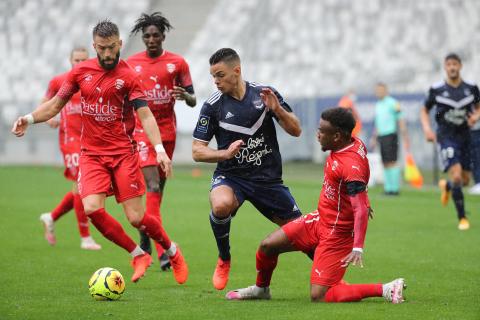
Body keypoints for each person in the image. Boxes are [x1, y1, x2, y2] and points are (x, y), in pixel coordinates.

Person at [12, 20, 188, 283]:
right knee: (92, 208)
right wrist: (28, 118)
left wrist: (159, 149)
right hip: (92, 155)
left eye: (112, 48)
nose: (108, 54)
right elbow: (54, 105)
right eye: (102, 48)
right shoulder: (80, 72)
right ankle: (138, 254)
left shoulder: (129, 76)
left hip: (123, 155)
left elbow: (146, 115)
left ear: (119, 44)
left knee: (136, 218)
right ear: (95, 46)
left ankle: (173, 251)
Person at [225, 107, 406, 303]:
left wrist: (358, 248)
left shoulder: (350, 165)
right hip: (320, 219)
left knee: (319, 295)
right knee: (268, 246)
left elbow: (359, 207)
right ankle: (262, 290)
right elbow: (358, 190)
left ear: (337, 136)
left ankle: (386, 288)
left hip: (338, 233)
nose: (317, 134)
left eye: (321, 130)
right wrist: (363, 198)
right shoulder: (350, 144)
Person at [192, 48, 302, 290]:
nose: (216, 82)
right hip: (232, 176)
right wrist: (224, 154)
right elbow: (197, 151)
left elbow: (296, 130)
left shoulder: (265, 94)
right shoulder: (213, 105)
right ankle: (224, 258)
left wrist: (278, 110)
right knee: (220, 205)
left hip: (268, 181)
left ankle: (332, 281)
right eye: (213, 77)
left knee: (303, 234)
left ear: (237, 71)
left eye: (220, 75)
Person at [127, 12, 197, 271]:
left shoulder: (177, 63)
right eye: (147, 36)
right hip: (142, 132)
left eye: (156, 35)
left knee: (157, 193)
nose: (152, 39)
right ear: (142, 38)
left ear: (163, 36)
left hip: (167, 132)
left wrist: (184, 96)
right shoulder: (131, 63)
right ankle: (164, 250)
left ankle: (145, 238)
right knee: (153, 185)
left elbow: (193, 98)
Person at [39, 47, 101, 251]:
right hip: (70, 140)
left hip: (91, 141)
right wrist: (49, 118)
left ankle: (51, 217)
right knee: (81, 187)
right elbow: (44, 103)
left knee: (81, 188)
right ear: (70, 60)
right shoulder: (59, 81)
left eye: (84, 59)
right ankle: (85, 237)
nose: (80, 63)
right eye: (76, 59)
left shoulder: (94, 81)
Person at [420, 53, 480, 230]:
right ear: (445, 67)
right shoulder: (437, 90)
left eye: (455, 64)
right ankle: (462, 218)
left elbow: (478, 107)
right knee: (456, 175)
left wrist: (476, 116)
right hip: (446, 137)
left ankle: (447, 186)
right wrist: (427, 130)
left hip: (466, 137)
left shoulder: (471, 88)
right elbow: (424, 110)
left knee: (465, 180)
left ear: (460, 66)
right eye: (449, 64)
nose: (452, 67)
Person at [370, 82, 410, 195]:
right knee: (384, 162)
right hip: (381, 136)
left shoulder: (393, 103)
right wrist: (374, 137)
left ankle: (395, 188)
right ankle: (388, 188)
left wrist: (404, 134)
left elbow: (400, 118)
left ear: (386, 90)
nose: (379, 92)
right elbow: (377, 123)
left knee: (392, 161)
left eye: (381, 90)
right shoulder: (378, 105)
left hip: (391, 135)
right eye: (377, 90)